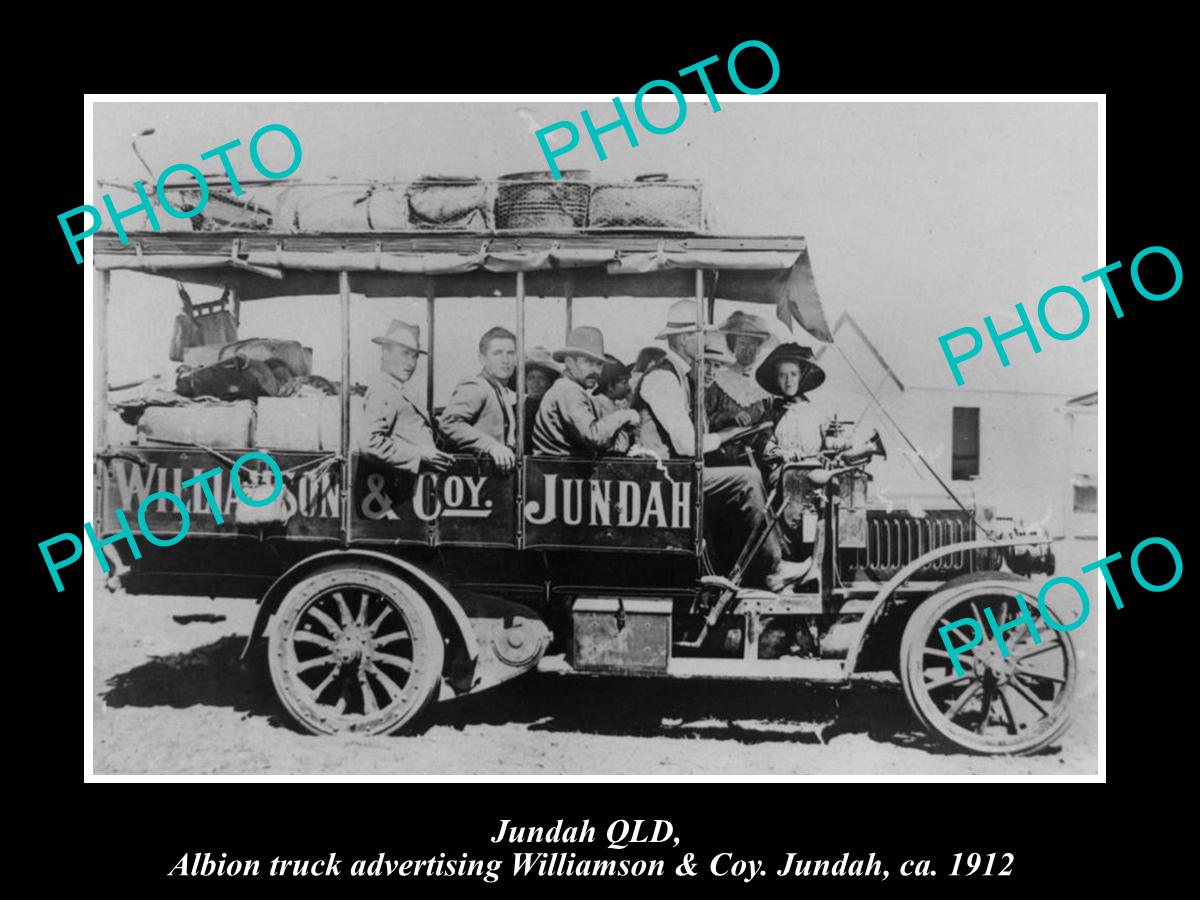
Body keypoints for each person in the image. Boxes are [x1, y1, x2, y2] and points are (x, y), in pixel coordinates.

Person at [633, 300, 813, 591]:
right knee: (747, 478)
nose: (705, 340)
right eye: (699, 334)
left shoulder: (681, 376)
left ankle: (749, 566)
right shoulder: (662, 378)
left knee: (747, 474)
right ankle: (772, 567)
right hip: (666, 478)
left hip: (675, 474)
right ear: (682, 339)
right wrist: (728, 434)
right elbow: (687, 445)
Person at [360, 319, 453, 476]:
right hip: (399, 486)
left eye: (414, 356)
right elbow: (370, 443)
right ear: (385, 353)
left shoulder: (401, 390)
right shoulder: (383, 390)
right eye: (404, 354)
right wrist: (419, 454)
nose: (411, 363)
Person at [533, 327, 640, 457]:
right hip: (559, 471)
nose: (595, 371)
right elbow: (593, 436)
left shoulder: (570, 388)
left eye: (599, 364)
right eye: (588, 362)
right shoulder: (569, 390)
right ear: (569, 362)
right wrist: (624, 415)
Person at [438, 326, 518, 473]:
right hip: (474, 478)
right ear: (482, 359)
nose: (505, 360)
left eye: (510, 353)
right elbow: (449, 423)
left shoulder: (499, 389)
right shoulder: (477, 385)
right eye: (497, 353)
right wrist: (491, 446)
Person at [707, 310, 774, 431]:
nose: (747, 349)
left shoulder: (764, 383)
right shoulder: (718, 380)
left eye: (752, 344)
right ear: (733, 346)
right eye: (742, 343)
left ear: (758, 348)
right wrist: (728, 417)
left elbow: (770, 419)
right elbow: (704, 419)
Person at [522, 346, 562, 453]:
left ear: (549, 382)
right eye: (531, 377)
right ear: (525, 382)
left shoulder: (554, 411)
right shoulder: (515, 410)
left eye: (541, 378)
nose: (536, 383)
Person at [593, 353, 633, 418]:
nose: (628, 387)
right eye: (624, 382)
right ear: (610, 386)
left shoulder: (611, 403)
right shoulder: (600, 406)